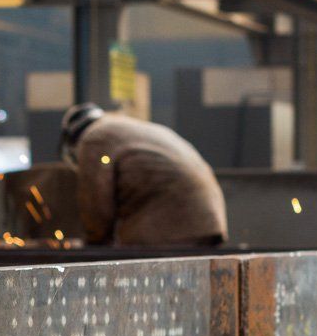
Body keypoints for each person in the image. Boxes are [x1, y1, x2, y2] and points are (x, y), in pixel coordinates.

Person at [61, 104, 227, 247]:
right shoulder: (126, 126)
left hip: (170, 228)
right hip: (209, 222)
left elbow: (96, 202)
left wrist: (93, 240)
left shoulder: (94, 138)